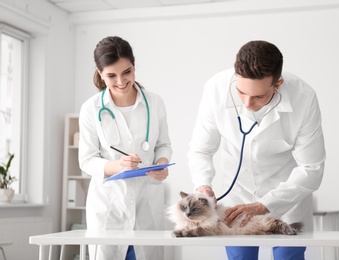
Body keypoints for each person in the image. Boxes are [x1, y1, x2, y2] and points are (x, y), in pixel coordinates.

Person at [188, 40, 326, 260]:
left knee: (287, 257)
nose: (247, 103)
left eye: (259, 96)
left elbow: (311, 168)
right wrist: (202, 185)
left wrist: (265, 204)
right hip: (237, 197)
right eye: (241, 92)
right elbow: (201, 149)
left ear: (277, 84)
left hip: (286, 198)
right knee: (240, 257)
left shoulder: (304, 98)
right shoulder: (215, 89)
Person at [78, 36, 172, 260]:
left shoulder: (155, 102)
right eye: (111, 75)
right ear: (100, 74)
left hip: (147, 202)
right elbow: (87, 160)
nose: (121, 81)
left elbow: (164, 145)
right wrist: (116, 165)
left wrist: (162, 163)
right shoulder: (91, 109)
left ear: (134, 67)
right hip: (109, 206)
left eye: (127, 72)